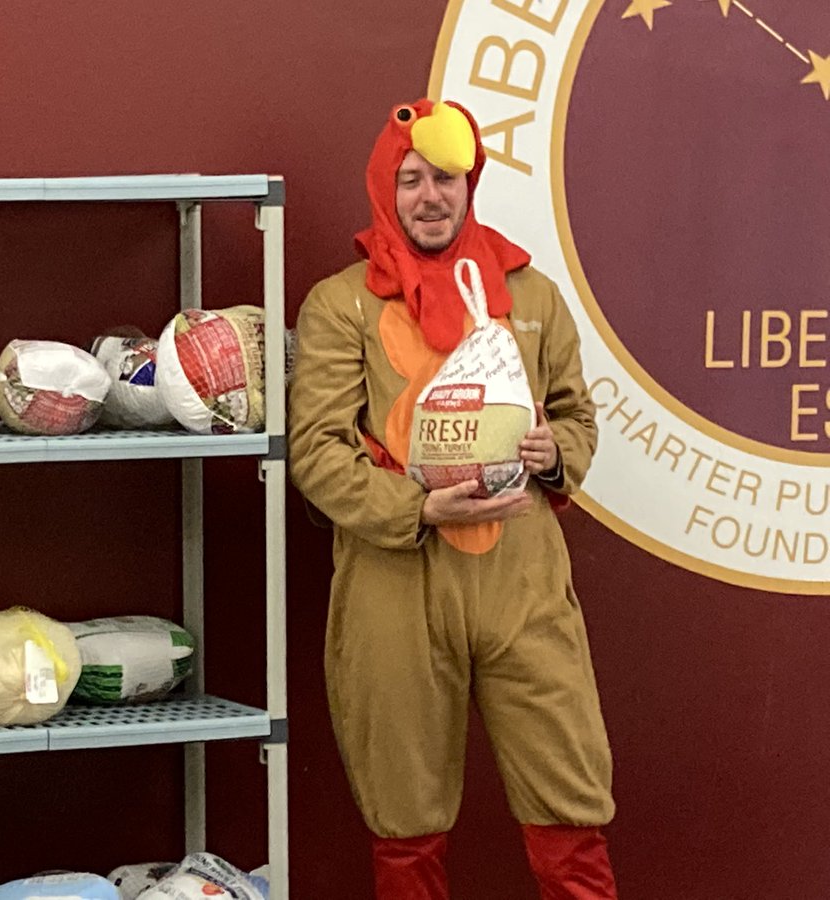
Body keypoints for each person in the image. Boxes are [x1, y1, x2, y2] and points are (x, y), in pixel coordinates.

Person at [287, 98, 618, 899]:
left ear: (471, 184)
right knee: (406, 820)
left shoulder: (529, 294)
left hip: (523, 580)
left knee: (569, 803)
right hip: (395, 586)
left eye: (445, 178)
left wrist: (554, 453)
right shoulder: (343, 305)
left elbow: (575, 413)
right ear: (384, 189)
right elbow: (315, 454)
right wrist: (416, 509)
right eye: (410, 180)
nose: (429, 197)